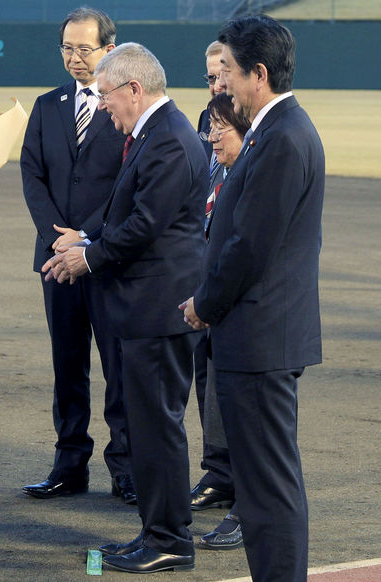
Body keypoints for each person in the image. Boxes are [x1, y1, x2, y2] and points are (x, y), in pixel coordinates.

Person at [44, 42, 207, 574]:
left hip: (159, 312)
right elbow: (128, 214)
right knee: (150, 426)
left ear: (134, 89)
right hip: (146, 309)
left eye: (107, 94)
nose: (104, 105)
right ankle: (156, 533)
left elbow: (143, 228)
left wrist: (86, 258)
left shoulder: (167, 140)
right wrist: (86, 236)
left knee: (158, 429)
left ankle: (170, 540)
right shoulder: (156, 134)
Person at [181, 15, 325, 582]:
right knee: (266, 487)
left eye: (232, 74)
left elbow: (249, 246)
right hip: (257, 337)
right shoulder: (276, 131)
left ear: (258, 74)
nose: (224, 87)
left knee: (268, 489)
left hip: (261, 339)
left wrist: (203, 304)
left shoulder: (282, 137)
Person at [20, 6, 134, 503]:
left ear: (110, 49)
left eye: (84, 49)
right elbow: (32, 174)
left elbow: (130, 183)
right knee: (67, 366)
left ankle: (126, 468)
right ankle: (70, 465)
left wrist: (84, 236)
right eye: (67, 48)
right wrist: (56, 236)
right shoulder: (47, 106)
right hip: (55, 260)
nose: (74, 58)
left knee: (119, 367)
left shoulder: (128, 108)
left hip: (108, 259)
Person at [194, 92, 251, 551]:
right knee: (219, 410)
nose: (211, 137)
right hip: (219, 317)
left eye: (220, 128)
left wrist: (208, 303)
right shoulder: (222, 174)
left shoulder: (249, 179)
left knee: (251, 425)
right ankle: (230, 490)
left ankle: (247, 512)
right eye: (209, 127)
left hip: (247, 322)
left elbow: (245, 255)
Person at [189, 38, 236, 514]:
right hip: (203, 264)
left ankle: (234, 477)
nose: (216, 83)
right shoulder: (207, 118)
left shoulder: (254, 125)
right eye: (209, 76)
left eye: (223, 72)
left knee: (230, 382)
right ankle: (218, 471)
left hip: (234, 276)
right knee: (205, 375)